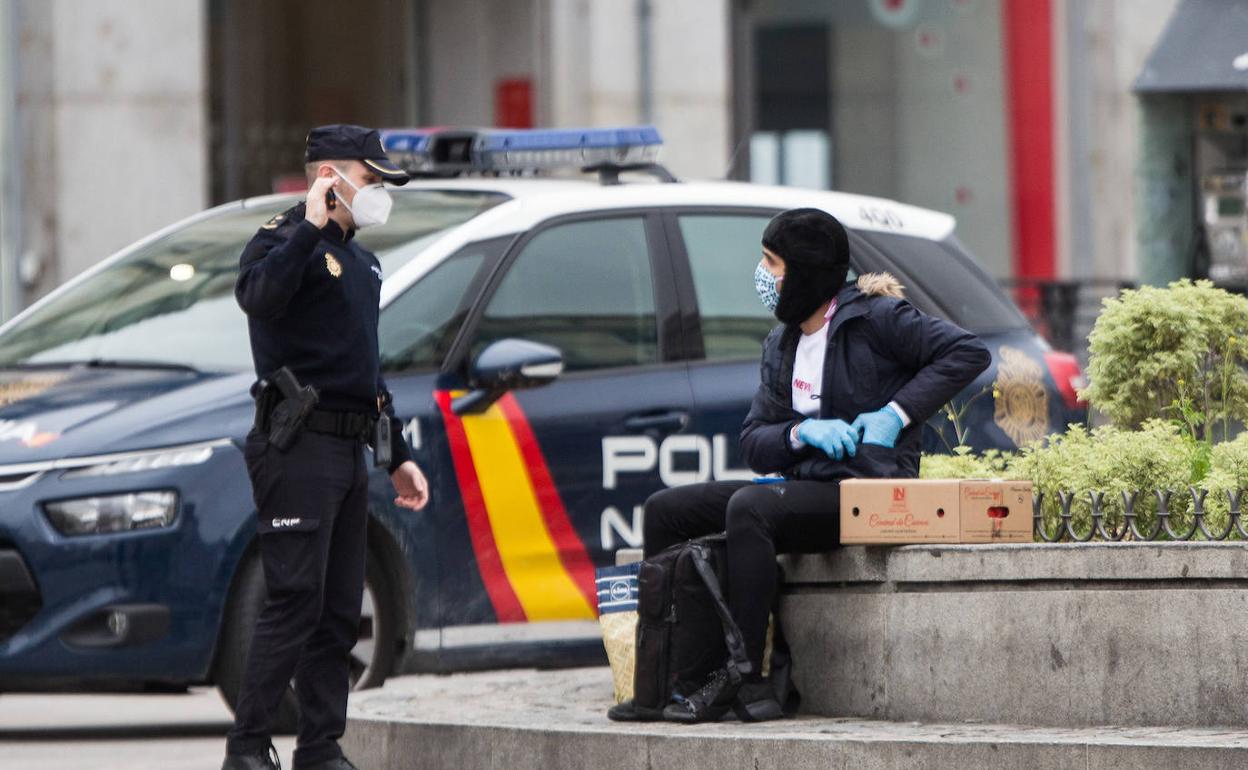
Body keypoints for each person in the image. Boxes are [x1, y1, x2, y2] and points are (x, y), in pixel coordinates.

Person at [639, 208, 990, 723]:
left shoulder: (876, 319)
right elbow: (755, 443)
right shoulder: (782, 343)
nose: (763, 273)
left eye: (771, 261)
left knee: (750, 507)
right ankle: (663, 676)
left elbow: (968, 352)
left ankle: (745, 680)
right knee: (666, 510)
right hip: (803, 486)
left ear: (804, 271)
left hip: (863, 491)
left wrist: (894, 414)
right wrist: (801, 432)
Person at [223, 125, 430, 770]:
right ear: (329, 177)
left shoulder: (362, 262)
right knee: (293, 600)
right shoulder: (282, 241)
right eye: (370, 180)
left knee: (339, 608)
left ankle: (320, 746)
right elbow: (257, 298)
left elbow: (366, 370)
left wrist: (395, 454)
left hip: (347, 453)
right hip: (297, 446)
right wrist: (310, 229)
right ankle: (249, 747)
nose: (379, 194)